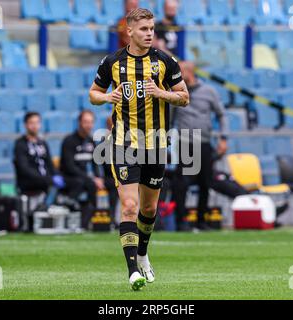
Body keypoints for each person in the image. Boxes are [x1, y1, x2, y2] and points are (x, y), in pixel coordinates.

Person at [89, 8, 189, 290]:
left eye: (152, 29)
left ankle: (143, 254)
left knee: (149, 207)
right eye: (144, 29)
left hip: (156, 146)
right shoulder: (112, 62)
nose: (149, 34)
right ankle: (133, 271)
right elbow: (93, 94)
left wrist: (162, 93)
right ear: (130, 30)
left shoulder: (165, 62)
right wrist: (107, 96)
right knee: (130, 206)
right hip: (123, 145)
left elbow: (184, 97)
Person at [171, 61, 225, 231]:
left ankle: (202, 220)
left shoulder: (209, 92)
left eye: (179, 73)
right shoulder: (176, 93)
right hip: (185, 144)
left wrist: (224, 138)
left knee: (205, 183)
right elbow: (170, 118)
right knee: (182, 184)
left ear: (189, 72)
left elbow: (221, 115)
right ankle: (181, 221)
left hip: (204, 143)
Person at [13, 112, 64, 222]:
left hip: (45, 180)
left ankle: (61, 210)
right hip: (28, 181)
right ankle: (41, 211)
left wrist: (58, 175)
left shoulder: (43, 143)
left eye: (37, 122)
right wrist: (45, 178)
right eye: (31, 123)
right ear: (26, 125)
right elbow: (24, 168)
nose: (34, 125)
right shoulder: (20, 144)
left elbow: (50, 164)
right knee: (51, 183)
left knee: (67, 182)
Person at [60, 110, 104, 230]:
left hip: (84, 178)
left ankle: (91, 222)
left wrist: (98, 178)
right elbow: (69, 166)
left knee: (98, 184)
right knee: (85, 183)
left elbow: (95, 163)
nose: (88, 125)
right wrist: (90, 178)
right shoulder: (69, 141)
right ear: (79, 123)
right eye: (85, 122)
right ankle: (70, 211)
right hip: (69, 177)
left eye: (90, 122)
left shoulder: (91, 141)